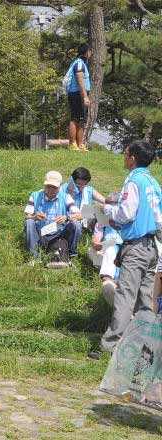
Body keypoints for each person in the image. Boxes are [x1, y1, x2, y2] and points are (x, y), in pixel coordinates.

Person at [97, 140, 162, 354]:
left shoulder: (134, 181)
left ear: (133, 158)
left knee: (125, 296)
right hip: (152, 247)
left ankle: (110, 345)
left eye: (125, 153)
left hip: (135, 248)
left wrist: (106, 210)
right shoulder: (153, 183)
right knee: (146, 300)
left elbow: (126, 213)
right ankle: (147, 348)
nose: (124, 157)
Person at [24, 170, 82, 265]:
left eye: (54, 187)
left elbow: (79, 215)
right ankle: (34, 257)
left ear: (60, 187)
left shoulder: (66, 197)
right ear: (44, 186)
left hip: (60, 233)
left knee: (76, 224)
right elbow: (27, 216)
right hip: (40, 233)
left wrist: (66, 217)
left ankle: (71, 254)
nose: (51, 190)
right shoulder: (35, 195)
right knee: (29, 222)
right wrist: (35, 217)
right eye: (48, 186)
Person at [65, 43, 92, 152]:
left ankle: (80, 145)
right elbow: (79, 78)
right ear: (86, 52)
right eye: (90, 51)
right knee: (75, 118)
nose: (91, 53)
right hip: (77, 94)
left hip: (79, 94)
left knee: (81, 120)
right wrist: (85, 96)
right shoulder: (79, 63)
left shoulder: (81, 63)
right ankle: (72, 144)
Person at [89, 222, 121, 305]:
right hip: (106, 251)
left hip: (124, 249)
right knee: (109, 250)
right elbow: (95, 243)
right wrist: (99, 244)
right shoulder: (101, 223)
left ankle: (112, 284)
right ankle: (108, 280)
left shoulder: (126, 218)